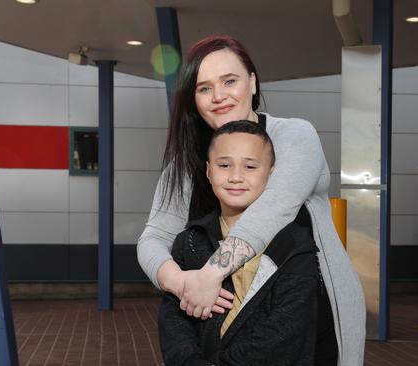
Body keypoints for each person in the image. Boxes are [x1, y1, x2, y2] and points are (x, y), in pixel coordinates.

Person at [138, 35, 365, 365]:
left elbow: (271, 212)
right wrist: (183, 283)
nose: (219, 96)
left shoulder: (294, 136)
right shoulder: (187, 166)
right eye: (204, 88)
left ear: (253, 82)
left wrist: (209, 275)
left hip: (307, 318)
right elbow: (153, 238)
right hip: (221, 333)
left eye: (230, 81)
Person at [159, 120, 336, 365]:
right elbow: (174, 323)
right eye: (224, 165)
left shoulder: (294, 245)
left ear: (271, 173)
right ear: (209, 171)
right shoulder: (189, 241)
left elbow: (284, 332)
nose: (236, 177)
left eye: (250, 166)